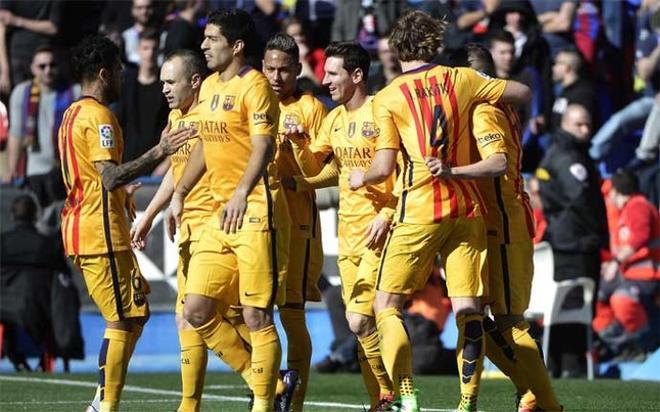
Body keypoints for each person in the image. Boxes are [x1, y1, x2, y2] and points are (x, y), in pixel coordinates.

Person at [349, 10, 532, 412]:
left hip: (419, 208)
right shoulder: (462, 78)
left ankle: (408, 396)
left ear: (397, 49)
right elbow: (520, 92)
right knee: (468, 309)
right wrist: (483, 89)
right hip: (467, 209)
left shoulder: (391, 95)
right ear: (433, 44)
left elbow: (383, 168)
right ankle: (468, 402)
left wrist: (360, 177)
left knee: (386, 305)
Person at [61, 34, 193, 412]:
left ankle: (103, 401)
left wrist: (122, 194)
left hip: (88, 227)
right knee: (122, 320)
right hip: (99, 232)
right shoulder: (99, 116)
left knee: (135, 314)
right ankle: (105, 405)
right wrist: (159, 151)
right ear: (103, 73)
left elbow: (92, 178)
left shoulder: (72, 113)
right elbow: (107, 176)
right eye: (119, 70)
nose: (123, 77)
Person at [170, 9, 291, 412]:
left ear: (236, 46)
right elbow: (204, 142)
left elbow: (263, 146)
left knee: (256, 314)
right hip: (220, 215)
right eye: (204, 39)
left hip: (255, 210)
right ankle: (273, 387)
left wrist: (242, 191)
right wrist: (180, 191)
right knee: (196, 309)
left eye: (212, 39)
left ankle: (261, 404)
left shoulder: (255, 86)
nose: (203, 46)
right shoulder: (205, 88)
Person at [130, 49, 261, 412]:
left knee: (214, 314)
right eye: (162, 83)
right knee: (189, 317)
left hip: (217, 225)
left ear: (195, 81)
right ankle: (252, 386)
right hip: (189, 227)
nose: (165, 90)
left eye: (171, 82)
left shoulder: (212, 113)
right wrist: (149, 215)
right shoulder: (174, 119)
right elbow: (176, 170)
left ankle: (264, 381)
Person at [448, 43, 562, 412]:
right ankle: (527, 389)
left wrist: (451, 171)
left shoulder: (484, 109)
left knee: (511, 319)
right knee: (474, 316)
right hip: (491, 222)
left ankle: (544, 401)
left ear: (470, 77)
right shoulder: (493, 105)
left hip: (504, 223)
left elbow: (496, 163)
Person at [287, 41, 397, 411]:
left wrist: (388, 213)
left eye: (333, 73)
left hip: (380, 232)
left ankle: (392, 392)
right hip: (348, 238)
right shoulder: (334, 120)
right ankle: (381, 400)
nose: (324, 79)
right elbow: (316, 171)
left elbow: (405, 169)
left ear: (357, 75)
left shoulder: (382, 111)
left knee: (359, 319)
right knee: (362, 326)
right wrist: (299, 143)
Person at [262, 33, 331, 411]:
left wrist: (300, 144)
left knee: (291, 313)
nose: (276, 76)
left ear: (297, 70)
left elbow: (321, 169)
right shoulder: (252, 101)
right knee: (248, 311)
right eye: (270, 68)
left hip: (297, 223)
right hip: (255, 223)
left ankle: (295, 402)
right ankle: (270, 384)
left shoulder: (310, 108)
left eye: (284, 69)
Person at [535, 103, 609, 378]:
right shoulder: (569, 158)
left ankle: (559, 364)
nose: (586, 129)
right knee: (574, 307)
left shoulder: (562, 153)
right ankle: (571, 366)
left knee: (566, 306)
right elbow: (580, 199)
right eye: (579, 124)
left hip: (566, 240)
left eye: (588, 123)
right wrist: (598, 231)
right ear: (565, 124)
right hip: (575, 243)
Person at [0, 194, 70, 372]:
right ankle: (44, 357)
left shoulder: (3, 244)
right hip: (40, 307)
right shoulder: (48, 245)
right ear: (35, 215)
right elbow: (65, 275)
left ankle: (14, 354)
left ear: (12, 215)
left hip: (5, 307)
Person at [594, 170, 659, 360]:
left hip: (647, 275)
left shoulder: (638, 206)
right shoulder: (629, 209)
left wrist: (615, 262)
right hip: (630, 274)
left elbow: (640, 236)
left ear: (616, 191)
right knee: (594, 297)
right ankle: (623, 346)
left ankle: (644, 342)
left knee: (622, 300)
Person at [4, 46, 80, 207]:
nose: (48, 70)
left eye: (52, 65)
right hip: (34, 171)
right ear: (33, 68)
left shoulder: (73, 92)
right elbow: (16, 134)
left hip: (65, 173)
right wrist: (12, 170)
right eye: (42, 66)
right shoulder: (22, 92)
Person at [117, 29, 169, 175]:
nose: (150, 53)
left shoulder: (166, 85)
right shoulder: (126, 83)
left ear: (159, 51)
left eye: (154, 48)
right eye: (146, 48)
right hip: (128, 164)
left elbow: (176, 125)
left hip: (158, 168)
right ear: (138, 50)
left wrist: (165, 166)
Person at [550, 47, 598, 131]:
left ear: (567, 68)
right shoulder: (565, 91)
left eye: (557, 63)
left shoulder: (583, 94)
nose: (553, 68)